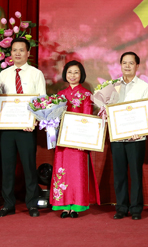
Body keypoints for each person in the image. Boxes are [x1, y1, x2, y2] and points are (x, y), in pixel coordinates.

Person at [0, 37, 46, 217]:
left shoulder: (36, 74)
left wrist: (35, 121)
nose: (17, 53)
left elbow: (42, 100)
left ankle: (32, 204)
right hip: (7, 127)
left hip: (26, 128)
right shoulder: (4, 74)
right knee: (7, 167)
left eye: (21, 50)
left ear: (28, 53)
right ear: (10, 53)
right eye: (14, 50)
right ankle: (8, 204)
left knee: (29, 166)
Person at [51, 60, 100, 218]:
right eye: (70, 72)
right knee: (63, 171)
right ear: (65, 74)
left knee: (77, 172)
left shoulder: (86, 94)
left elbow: (87, 118)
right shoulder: (60, 95)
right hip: (63, 141)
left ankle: (77, 206)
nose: (72, 75)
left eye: (76, 72)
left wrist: (83, 141)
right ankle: (64, 205)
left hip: (78, 141)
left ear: (82, 75)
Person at [111, 52, 148, 220]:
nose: (127, 66)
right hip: (117, 136)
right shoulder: (112, 86)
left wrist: (140, 130)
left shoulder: (144, 86)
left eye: (131, 63)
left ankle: (135, 208)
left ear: (137, 66)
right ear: (120, 65)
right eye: (124, 63)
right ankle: (121, 207)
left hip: (137, 137)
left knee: (135, 173)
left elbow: (146, 111)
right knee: (119, 173)